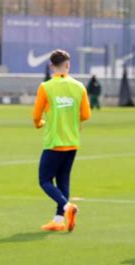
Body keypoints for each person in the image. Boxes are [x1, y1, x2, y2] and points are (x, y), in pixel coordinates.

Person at [33, 49, 91, 232]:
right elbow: (86, 115)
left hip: (54, 142)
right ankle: (59, 220)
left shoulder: (46, 87)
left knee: (45, 180)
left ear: (51, 66)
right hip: (72, 142)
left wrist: (39, 123)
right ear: (68, 65)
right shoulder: (79, 87)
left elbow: (36, 115)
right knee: (63, 181)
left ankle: (67, 208)